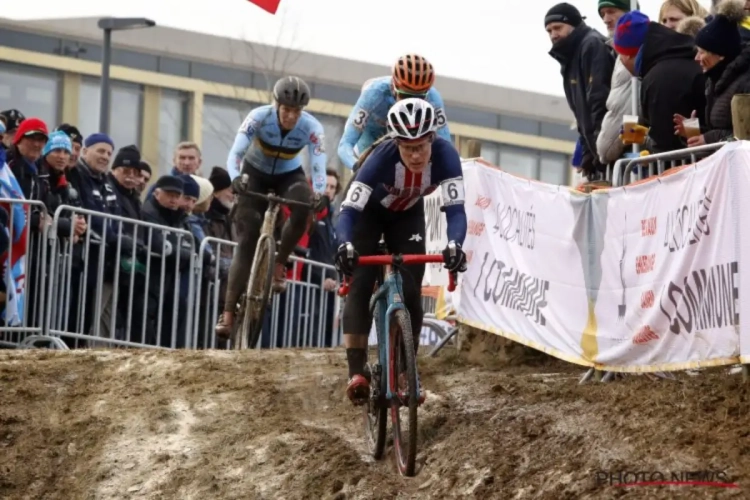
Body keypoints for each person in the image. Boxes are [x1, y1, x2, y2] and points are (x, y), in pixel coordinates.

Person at [335, 98, 468, 405]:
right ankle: (356, 372)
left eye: (422, 146)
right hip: (367, 215)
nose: (416, 154)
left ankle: (406, 371)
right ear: (396, 143)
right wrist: (345, 244)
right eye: (408, 148)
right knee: (360, 280)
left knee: (410, 289)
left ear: (432, 138)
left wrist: (454, 245)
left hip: (406, 215)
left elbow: (456, 211)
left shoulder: (447, 157)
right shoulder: (380, 159)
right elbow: (349, 211)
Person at [215, 76, 327, 338]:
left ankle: (280, 261)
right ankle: (228, 313)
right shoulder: (258, 117)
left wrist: (319, 192)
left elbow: (319, 164)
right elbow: (236, 152)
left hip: (289, 175)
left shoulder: (313, 127)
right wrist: (234, 177)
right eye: (286, 110)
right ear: (276, 105)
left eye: (296, 112)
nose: (290, 116)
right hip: (255, 172)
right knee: (248, 237)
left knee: (303, 207)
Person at [337, 54, 452, 170]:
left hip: (405, 147)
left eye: (419, 98)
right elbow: (345, 145)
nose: (410, 102)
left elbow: (446, 146)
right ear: (394, 87)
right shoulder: (374, 94)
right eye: (406, 95)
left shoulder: (433, 97)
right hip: (369, 144)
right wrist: (356, 166)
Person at [546, 3, 615, 180]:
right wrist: (588, 153)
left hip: (609, 151)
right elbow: (580, 114)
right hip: (600, 152)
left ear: (574, 24)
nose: (553, 34)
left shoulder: (591, 45)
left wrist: (601, 151)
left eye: (557, 28)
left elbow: (599, 100)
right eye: (549, 31)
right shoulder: (569, 56)